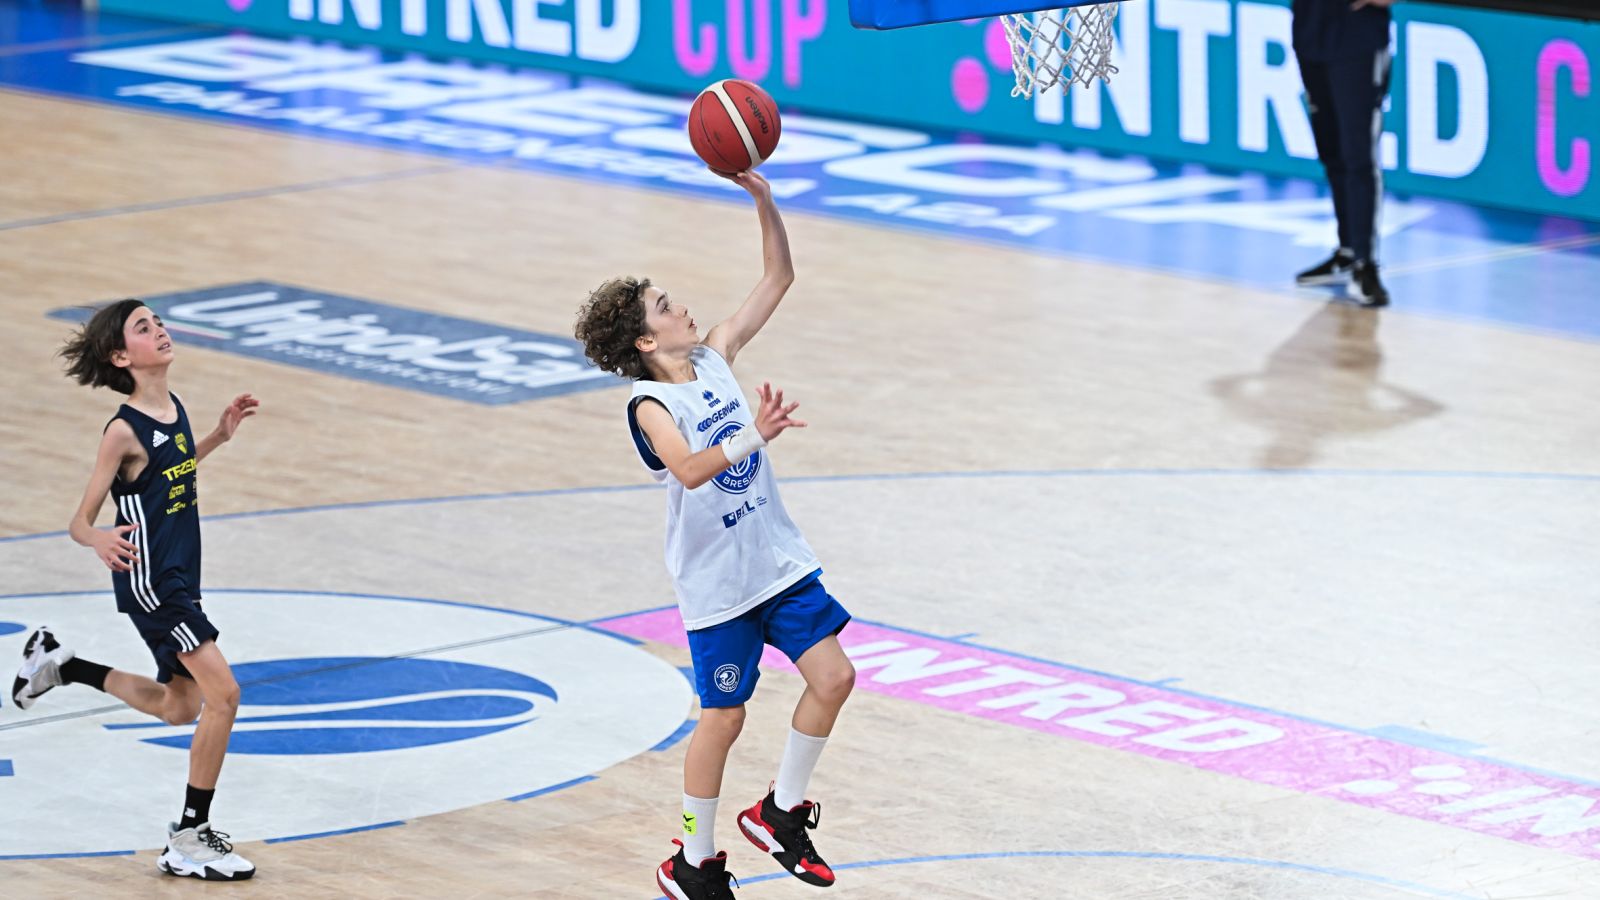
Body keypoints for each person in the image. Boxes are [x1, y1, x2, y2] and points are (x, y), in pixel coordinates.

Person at [574, 170, 856, 900]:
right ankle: (692, 862)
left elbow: (778, 277)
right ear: (645, 338)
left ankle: (780, 812)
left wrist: (765, 202)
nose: (683, 307)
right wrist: (754, 435)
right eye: (666, 306)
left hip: (775, 562)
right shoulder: (648, 404)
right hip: (718, 586)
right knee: (724, 718)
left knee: (835, 678)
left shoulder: (715, 357)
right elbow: (691, 470)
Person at [13, 298, 260, 881]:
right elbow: (79, 520)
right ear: (121, 357)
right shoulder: (122, 430)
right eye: (144, 328)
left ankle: (61, 666)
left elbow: (171, 470)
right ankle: (189, 838)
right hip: (152, 582)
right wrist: (97, 538)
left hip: (181, 576)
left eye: (159, 322)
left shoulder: (173, 407)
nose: (160, 330)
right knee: (224, 696)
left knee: (180, 707)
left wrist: (217, 437)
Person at [1292, 0, 1398, 307]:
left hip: (1358, 39)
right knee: (1332, 151)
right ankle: (1348, 251)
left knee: (1359, 155)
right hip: (1310, 33)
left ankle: (1365, 264)